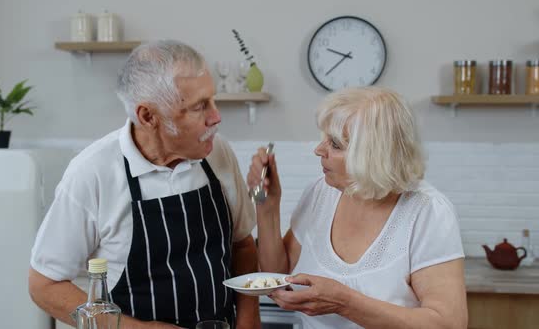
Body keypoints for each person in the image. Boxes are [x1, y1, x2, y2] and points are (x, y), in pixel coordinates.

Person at [29, 40, 260, 329]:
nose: (216, 117)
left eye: (213, 100)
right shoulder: (92, 172)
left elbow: (243, 246)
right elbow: (44, 284)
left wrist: (249, 320)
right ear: (148, 116)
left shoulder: (217, 152)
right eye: (200, 106)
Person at [247, 87, 467, 329]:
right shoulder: (321, 192)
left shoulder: (427, 212)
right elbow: (278, 274)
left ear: (374, 155)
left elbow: (448, 323)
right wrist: (267, 207)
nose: (319, 150)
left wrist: (344, 303)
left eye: (335, 144)